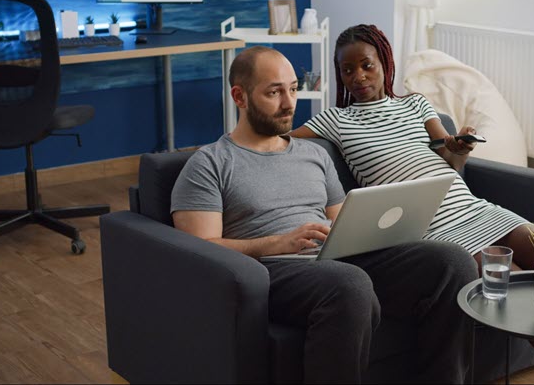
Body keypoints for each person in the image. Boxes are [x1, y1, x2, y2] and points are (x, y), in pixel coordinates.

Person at [290, 24, 534, 384]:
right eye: (347, 70)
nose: (358, 77)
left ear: (385, 64)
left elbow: (448, 154)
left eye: (366, 65)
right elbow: (281, 142)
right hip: (430, 229)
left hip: (472, 208)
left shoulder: (416, 103)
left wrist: (459, 148)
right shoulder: (336, 119)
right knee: (514, 288)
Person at [170, 46, 478, 384]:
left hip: (334, 261)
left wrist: (387, 231)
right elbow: (198, 250)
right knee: (350, 285)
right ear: (239, 96)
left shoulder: (313, 154)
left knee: (452, 262)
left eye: (292, 89)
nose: (289, 103)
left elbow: (345, 220)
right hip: (272, 269)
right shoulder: (210, 163)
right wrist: (275, 243)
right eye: (274, 92)